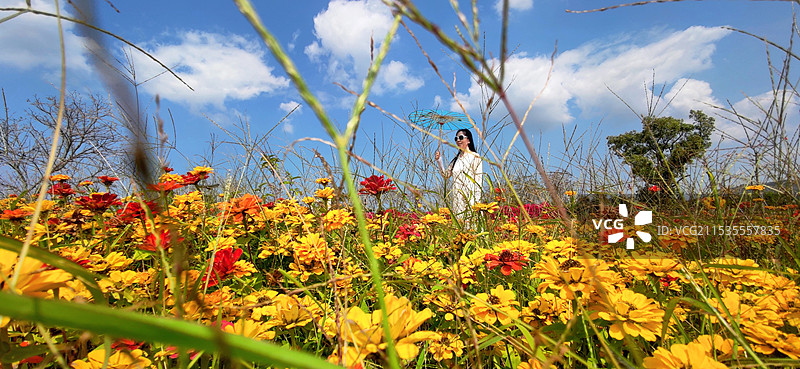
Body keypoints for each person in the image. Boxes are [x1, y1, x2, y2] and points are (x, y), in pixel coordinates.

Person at [435, 128, 483, 217]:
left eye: (461, 137)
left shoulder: (475, 157)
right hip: (457, 198)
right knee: (460, 223)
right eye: (456, 138)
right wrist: (439, 161)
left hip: (470, 197)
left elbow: (478, 180)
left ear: (468, 140)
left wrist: (476, 202)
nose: (458, 140)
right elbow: (446, 175)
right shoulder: (456, 160)